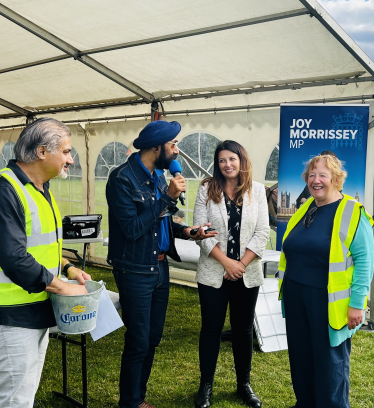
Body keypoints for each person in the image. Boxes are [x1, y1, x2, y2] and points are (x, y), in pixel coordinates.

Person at [106, 120, 217, 408]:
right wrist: (167, 197)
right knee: (138, 340)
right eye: (173, 145)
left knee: (152, 338)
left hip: (159, 268)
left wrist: (189, 232)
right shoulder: (122, 179)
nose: (177, 151)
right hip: (134, 269)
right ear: (157, 147)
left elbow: (164, 220)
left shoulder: (156, 176)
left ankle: (138, 398)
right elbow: (131, 229)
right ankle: (129, 403)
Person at [0, 117, 91, 408]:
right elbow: (12, 256)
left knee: (23, 395)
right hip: (12, 317)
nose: (71, 159)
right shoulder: (6, 189)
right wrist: (62, 288)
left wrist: (67, 267)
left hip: (37, 311)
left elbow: (41, 246)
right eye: (66, 151)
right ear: (41, 152)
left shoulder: (41, 188)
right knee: (13, 399)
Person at [278, 154, 374, 408]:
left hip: (328, 302)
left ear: (336, 179)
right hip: (296, 296)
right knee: (301, 360)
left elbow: (365, 261)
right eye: (311, 175)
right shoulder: (306, 207)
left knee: (330, 365)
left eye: (322, 175)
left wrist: (357, 304)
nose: (315, 180)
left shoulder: (354, 212)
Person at [193, 140, 270, 408]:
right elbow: (199, 232)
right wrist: (227, 262)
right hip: (214, 272)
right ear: (218, 164)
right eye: (223, 160)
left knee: (243, 330)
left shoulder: (257, 191)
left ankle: (244, 384)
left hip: (246, 274)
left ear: (241, 160)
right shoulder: (206, 189)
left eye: (232, 159)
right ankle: (205, 386)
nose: (228, 164)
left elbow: (262, 233)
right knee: (211, 330)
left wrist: (241, 265)